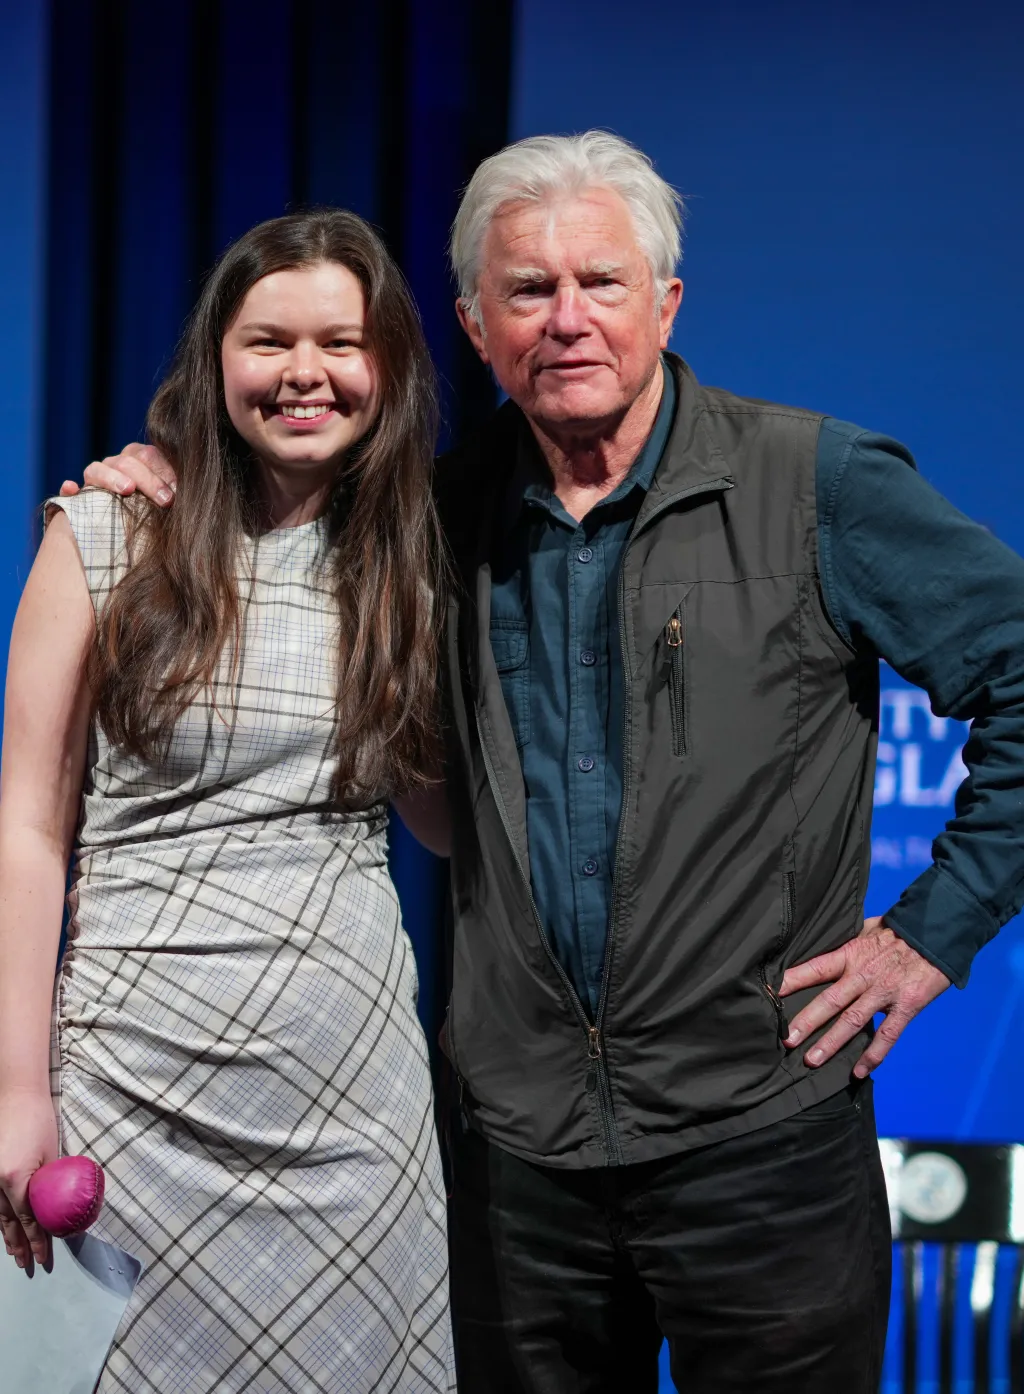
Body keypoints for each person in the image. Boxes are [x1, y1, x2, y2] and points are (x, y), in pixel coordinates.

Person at [65, 132, 1024, 1393]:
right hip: (517, 1169)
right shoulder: (423, 516)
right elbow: (274, 486)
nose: (567, 319)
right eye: (528, 291)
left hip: (762, 1144)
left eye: (602, 283)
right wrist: (159, 477)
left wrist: (931, 930)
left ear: (666, 301)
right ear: (472, 324)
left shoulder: (813, 484)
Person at [0, 210, 456, 1393]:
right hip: (130, 1088)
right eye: (268, 341)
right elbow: (28, 830)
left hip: (350, 1100)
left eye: (340, 343)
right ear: (216, 361)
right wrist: (15, 1092)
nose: (304, 371)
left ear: (389, 369)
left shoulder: (410, 560)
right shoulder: (107, 534)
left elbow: (443, 821)